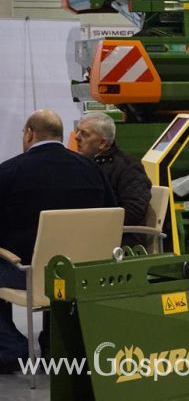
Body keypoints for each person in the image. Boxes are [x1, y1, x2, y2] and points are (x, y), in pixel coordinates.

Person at [0, 110, 115, 371]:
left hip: (27, 273)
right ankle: (55, 345)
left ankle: (11, 349)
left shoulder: (9, 171)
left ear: (29, 133)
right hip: (80, 272)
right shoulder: (93, 171)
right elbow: (111, 212)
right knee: (55, 266)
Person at [75, 112, 152, 247]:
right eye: (77, 131)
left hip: (120, 241)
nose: (77, 137)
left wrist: (95, 225)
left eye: (85, 134)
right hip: (90, 233)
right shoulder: (83, 164)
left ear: (102, 143)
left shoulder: (128, 167)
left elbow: (134, 210)